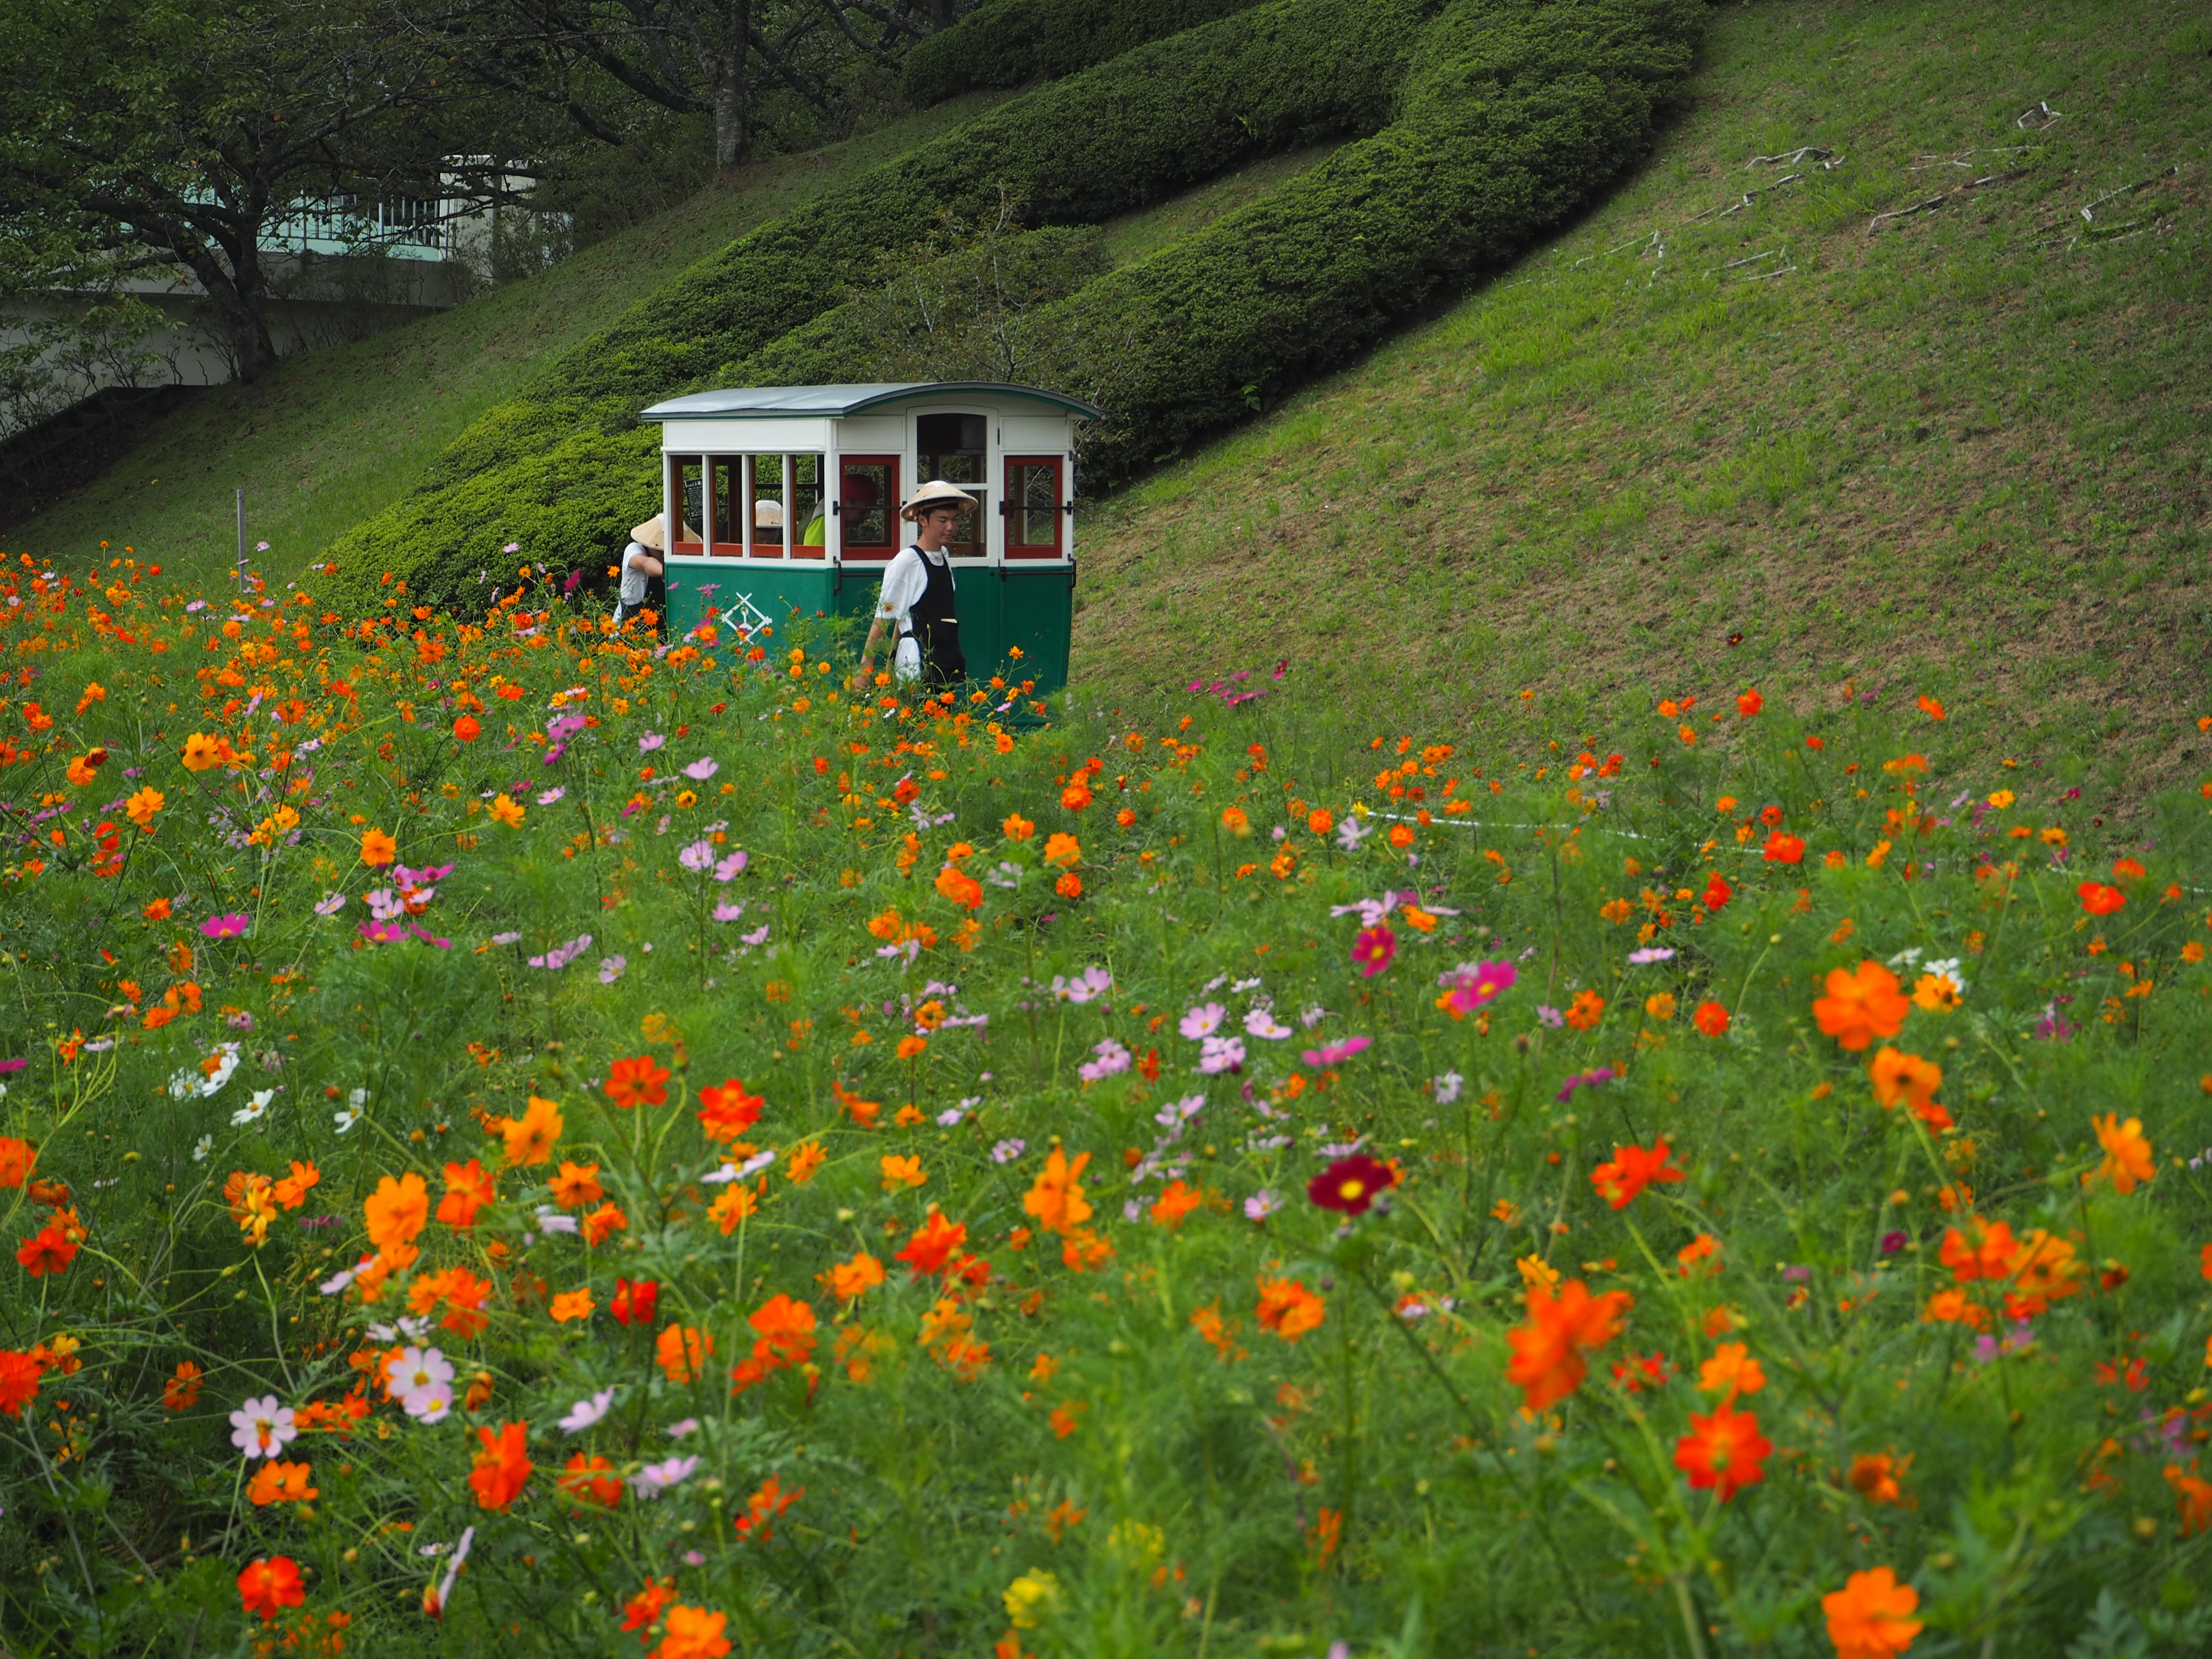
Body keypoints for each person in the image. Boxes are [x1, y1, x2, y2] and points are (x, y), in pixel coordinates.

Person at [858, 481, 974, 691]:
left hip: (945, 659)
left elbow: (903, 616)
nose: (951, 527)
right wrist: (865, 673)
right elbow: (884, 618)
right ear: (923, 520)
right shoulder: (907, 561)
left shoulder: (943, 556)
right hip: (916, 665)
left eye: (955, 520)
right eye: (943, 520)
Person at [615, 513, 690, 634]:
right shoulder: (634, 549)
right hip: (628, 634)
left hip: (659, 636)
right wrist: (669, 572)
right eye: (661, 548)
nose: (665, 552)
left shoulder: (677, 557)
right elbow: (646, 564)